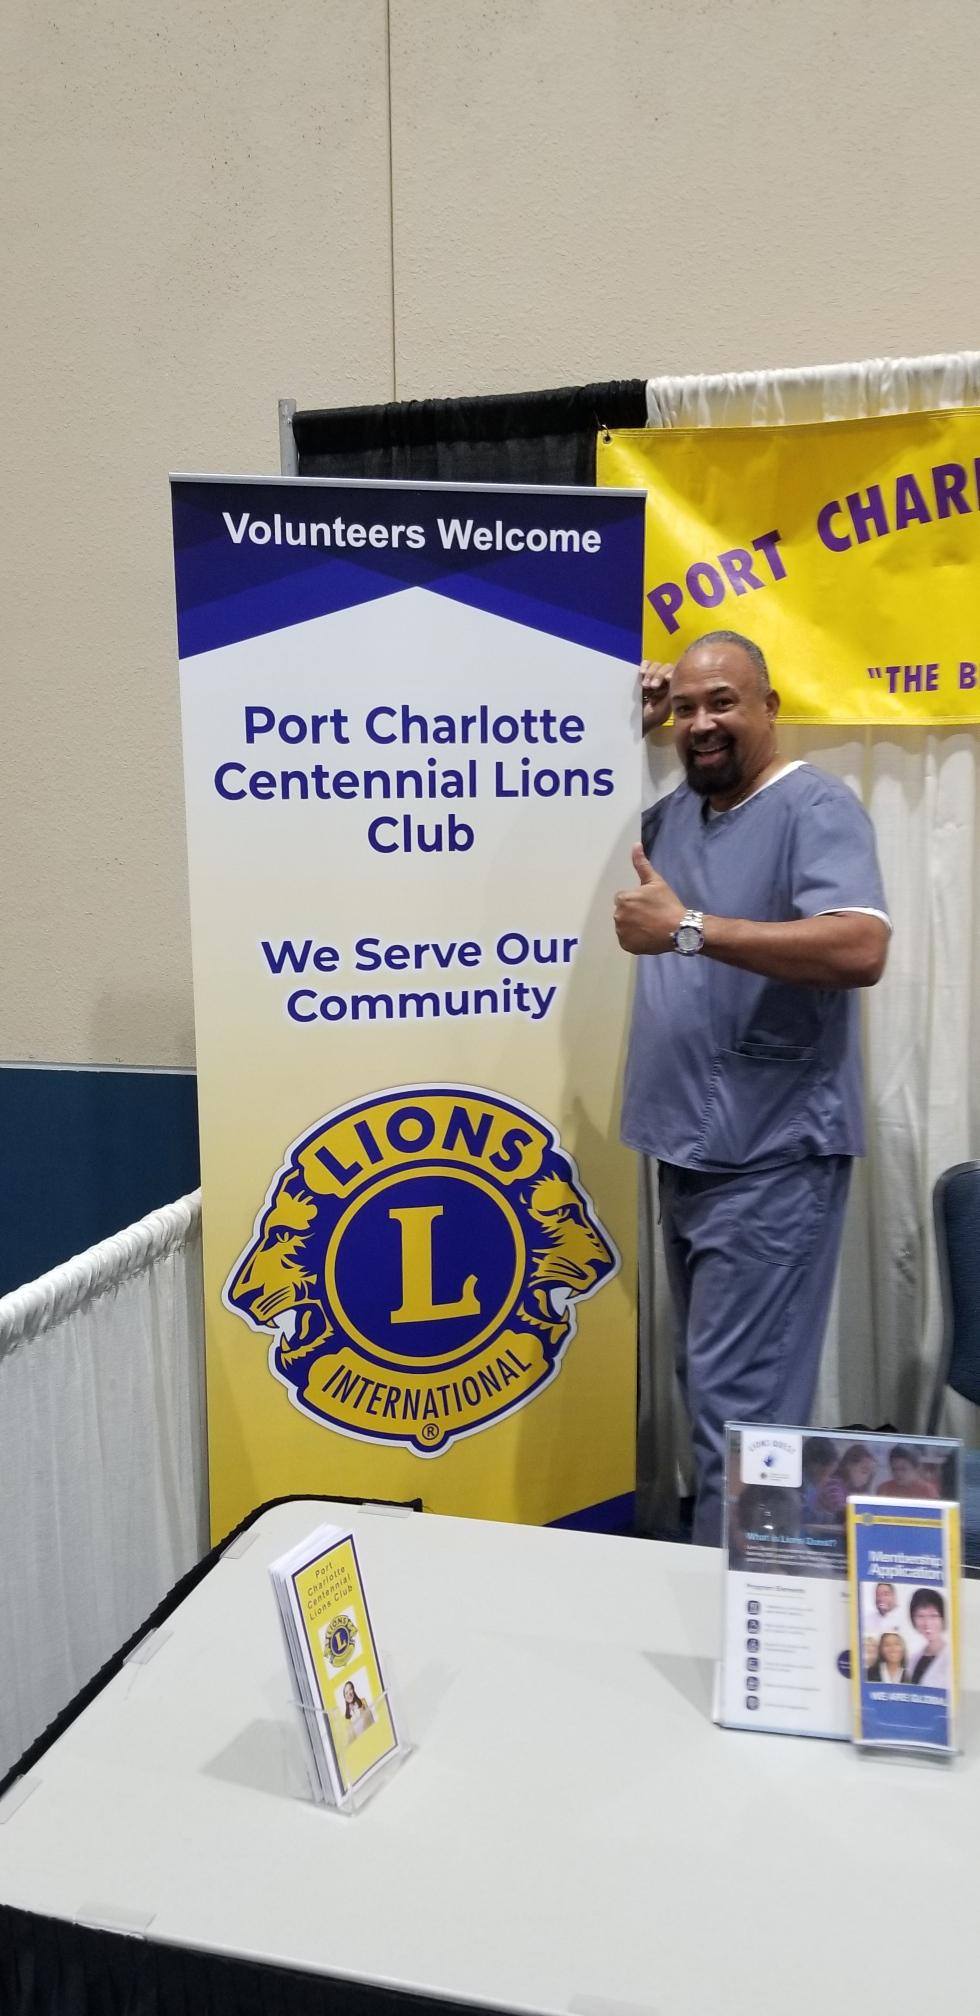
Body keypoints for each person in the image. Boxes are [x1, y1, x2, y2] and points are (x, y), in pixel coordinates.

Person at [615, 632, 890, 1545]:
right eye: (687, 707)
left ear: (771, 707)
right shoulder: (674, 817)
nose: (702, 723)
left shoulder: (815, 806)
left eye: (724, 702)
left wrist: (689, 928)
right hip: (688, 1151)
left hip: (773, 1158)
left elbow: (861, 945)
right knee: (713, 1400)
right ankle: (730, 1599)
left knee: (746, 1420)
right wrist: (620, 730)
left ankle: (750, 1620)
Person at [908, 1590, 951, 1686]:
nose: (927, 1623)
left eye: (933, 1616)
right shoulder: (913, 1659)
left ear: (943, 1618)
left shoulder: (952, 1657)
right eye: (920, 1616)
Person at [875, 1443, 940, 1499]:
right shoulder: (884, 1488)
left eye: (903, 1469)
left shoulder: (928, 1490)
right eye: (894, 1469)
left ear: (916, 1469)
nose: (898, 1473)